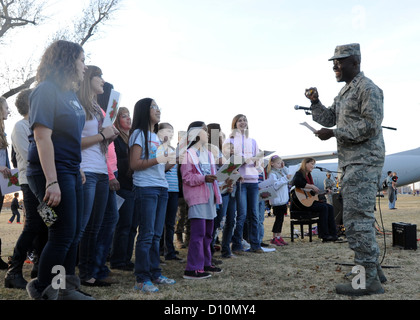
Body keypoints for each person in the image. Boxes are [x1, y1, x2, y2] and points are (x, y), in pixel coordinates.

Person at [305, 43, 386, 295]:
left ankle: (367, 280)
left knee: (356, 221)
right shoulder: (344, 93)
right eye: (333, 62)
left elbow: (371, 126)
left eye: (340, 62)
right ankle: (373, 269)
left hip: (364, 162)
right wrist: (315, 102)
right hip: (351, 162)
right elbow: (329, 118)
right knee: (358, 218)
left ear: (355, 63)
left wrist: (334, 134)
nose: (335, 67)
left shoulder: (368, 89)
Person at [25, 40, 93, 300]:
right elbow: (42, 137)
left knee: (74, 233)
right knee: (61, 232)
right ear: (66, 60)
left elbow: (70, 138)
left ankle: (65, 288)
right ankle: (46, 290)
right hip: (49, 172)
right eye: (81, 60)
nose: (84, 67)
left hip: (70, 169)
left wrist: (78, 168)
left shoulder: (70, 94)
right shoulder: (45, 90)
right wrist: (52, 181)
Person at [77, 66, 119, 287]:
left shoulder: (98, 109)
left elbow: (100, 142)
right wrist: (103, 135)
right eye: (99, 76)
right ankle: (78, 274)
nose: (103, 81)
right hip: (87, 171)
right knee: (82, 227)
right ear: (88, 79)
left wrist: (109, 138)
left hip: (102, 172)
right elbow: (74, 142)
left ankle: (89, 273)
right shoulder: (78, 106)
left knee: (96, 226)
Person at [129, 98, 176, 292]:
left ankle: (155, 273)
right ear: (144, 110)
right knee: (147, 235)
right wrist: (159, 158)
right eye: (154, 107)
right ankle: (141, 279)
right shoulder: (138, 134)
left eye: (159, 107)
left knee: (156, 235)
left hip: (161, 187)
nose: (158, 110)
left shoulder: (156, 137)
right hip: (145, 188)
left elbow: (161, 167)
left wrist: (172, 159)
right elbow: (135, 165)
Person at [5, 88, 48, 289]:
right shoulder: (21, 127)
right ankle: (13, 272)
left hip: (45, 183)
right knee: (32, 225)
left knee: (47, 223)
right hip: (30, 183)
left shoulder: (39, 125)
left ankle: (39, 268)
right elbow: (31, 156)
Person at [181, 121, 222, 279]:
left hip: (210, 197)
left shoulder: (209, 153)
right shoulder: (188, 154)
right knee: (198, 234)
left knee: (208, 234)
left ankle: (205, 263)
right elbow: (187, 177)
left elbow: (214, 177)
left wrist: (228, 179)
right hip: (197, 198)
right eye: (205, 130)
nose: (208, 133)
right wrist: (204, 177)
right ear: (197, 133)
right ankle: (192, 268)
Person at [225, 114, 263, 254]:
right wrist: (236, 173)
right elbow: (227, 161)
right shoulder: (229, 140)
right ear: (234, 123)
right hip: (240, 181)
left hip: (253, 179)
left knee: (254, 213)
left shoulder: (253, 141)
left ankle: (255, 244)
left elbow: (258, 161)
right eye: (240, 120)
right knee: (241, 214)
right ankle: (237, 245)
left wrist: (254, 160)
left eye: (245, 120)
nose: (243, 122)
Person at [109, 106, 137, 271]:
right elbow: (116, 161)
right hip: (122, 185)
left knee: (133, 225)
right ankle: (118, 260)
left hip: (134, 186)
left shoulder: (132, 138)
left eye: (129, 116)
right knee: (124, 225)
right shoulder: (115, 138)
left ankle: (126, 258)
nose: (128, 119)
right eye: (124, 116)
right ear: (117, 120)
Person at [291, 158, 338, 242]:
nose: (313, 166)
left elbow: (312, 194)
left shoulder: (309, 175)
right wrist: (312, 186)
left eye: (314, 164)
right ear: (305, 164)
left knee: (330, 207)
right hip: (301, 204)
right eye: (311, 164)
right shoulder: (299, 173)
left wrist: (325, 192)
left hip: (309, 202)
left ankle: (333, 234)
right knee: (323, 207)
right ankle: (324, 235)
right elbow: (296, 182)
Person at [157, 122, 182, 261]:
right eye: (166, 130)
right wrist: (173, 160)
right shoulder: (158, 147)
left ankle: (170, 251)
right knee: (160, 222)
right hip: (163, 187)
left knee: (171, 222)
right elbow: (161, 168)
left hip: (174, 188)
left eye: (171, 131)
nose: (169, 133)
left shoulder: (173, 149)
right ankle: (160, 250)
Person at [267, 155, 291, 246]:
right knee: (278, 219)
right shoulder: (272, 173)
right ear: (272, 164)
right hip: (277, 200)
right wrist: (285, 179)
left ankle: (278, 236)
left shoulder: (281, 172)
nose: (279, 164)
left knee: (281, 219)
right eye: (278, 163)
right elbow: (275, 185)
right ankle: (274, 237)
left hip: (283, 200)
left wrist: (284, 167)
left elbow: (289, 175)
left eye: (281, 163)